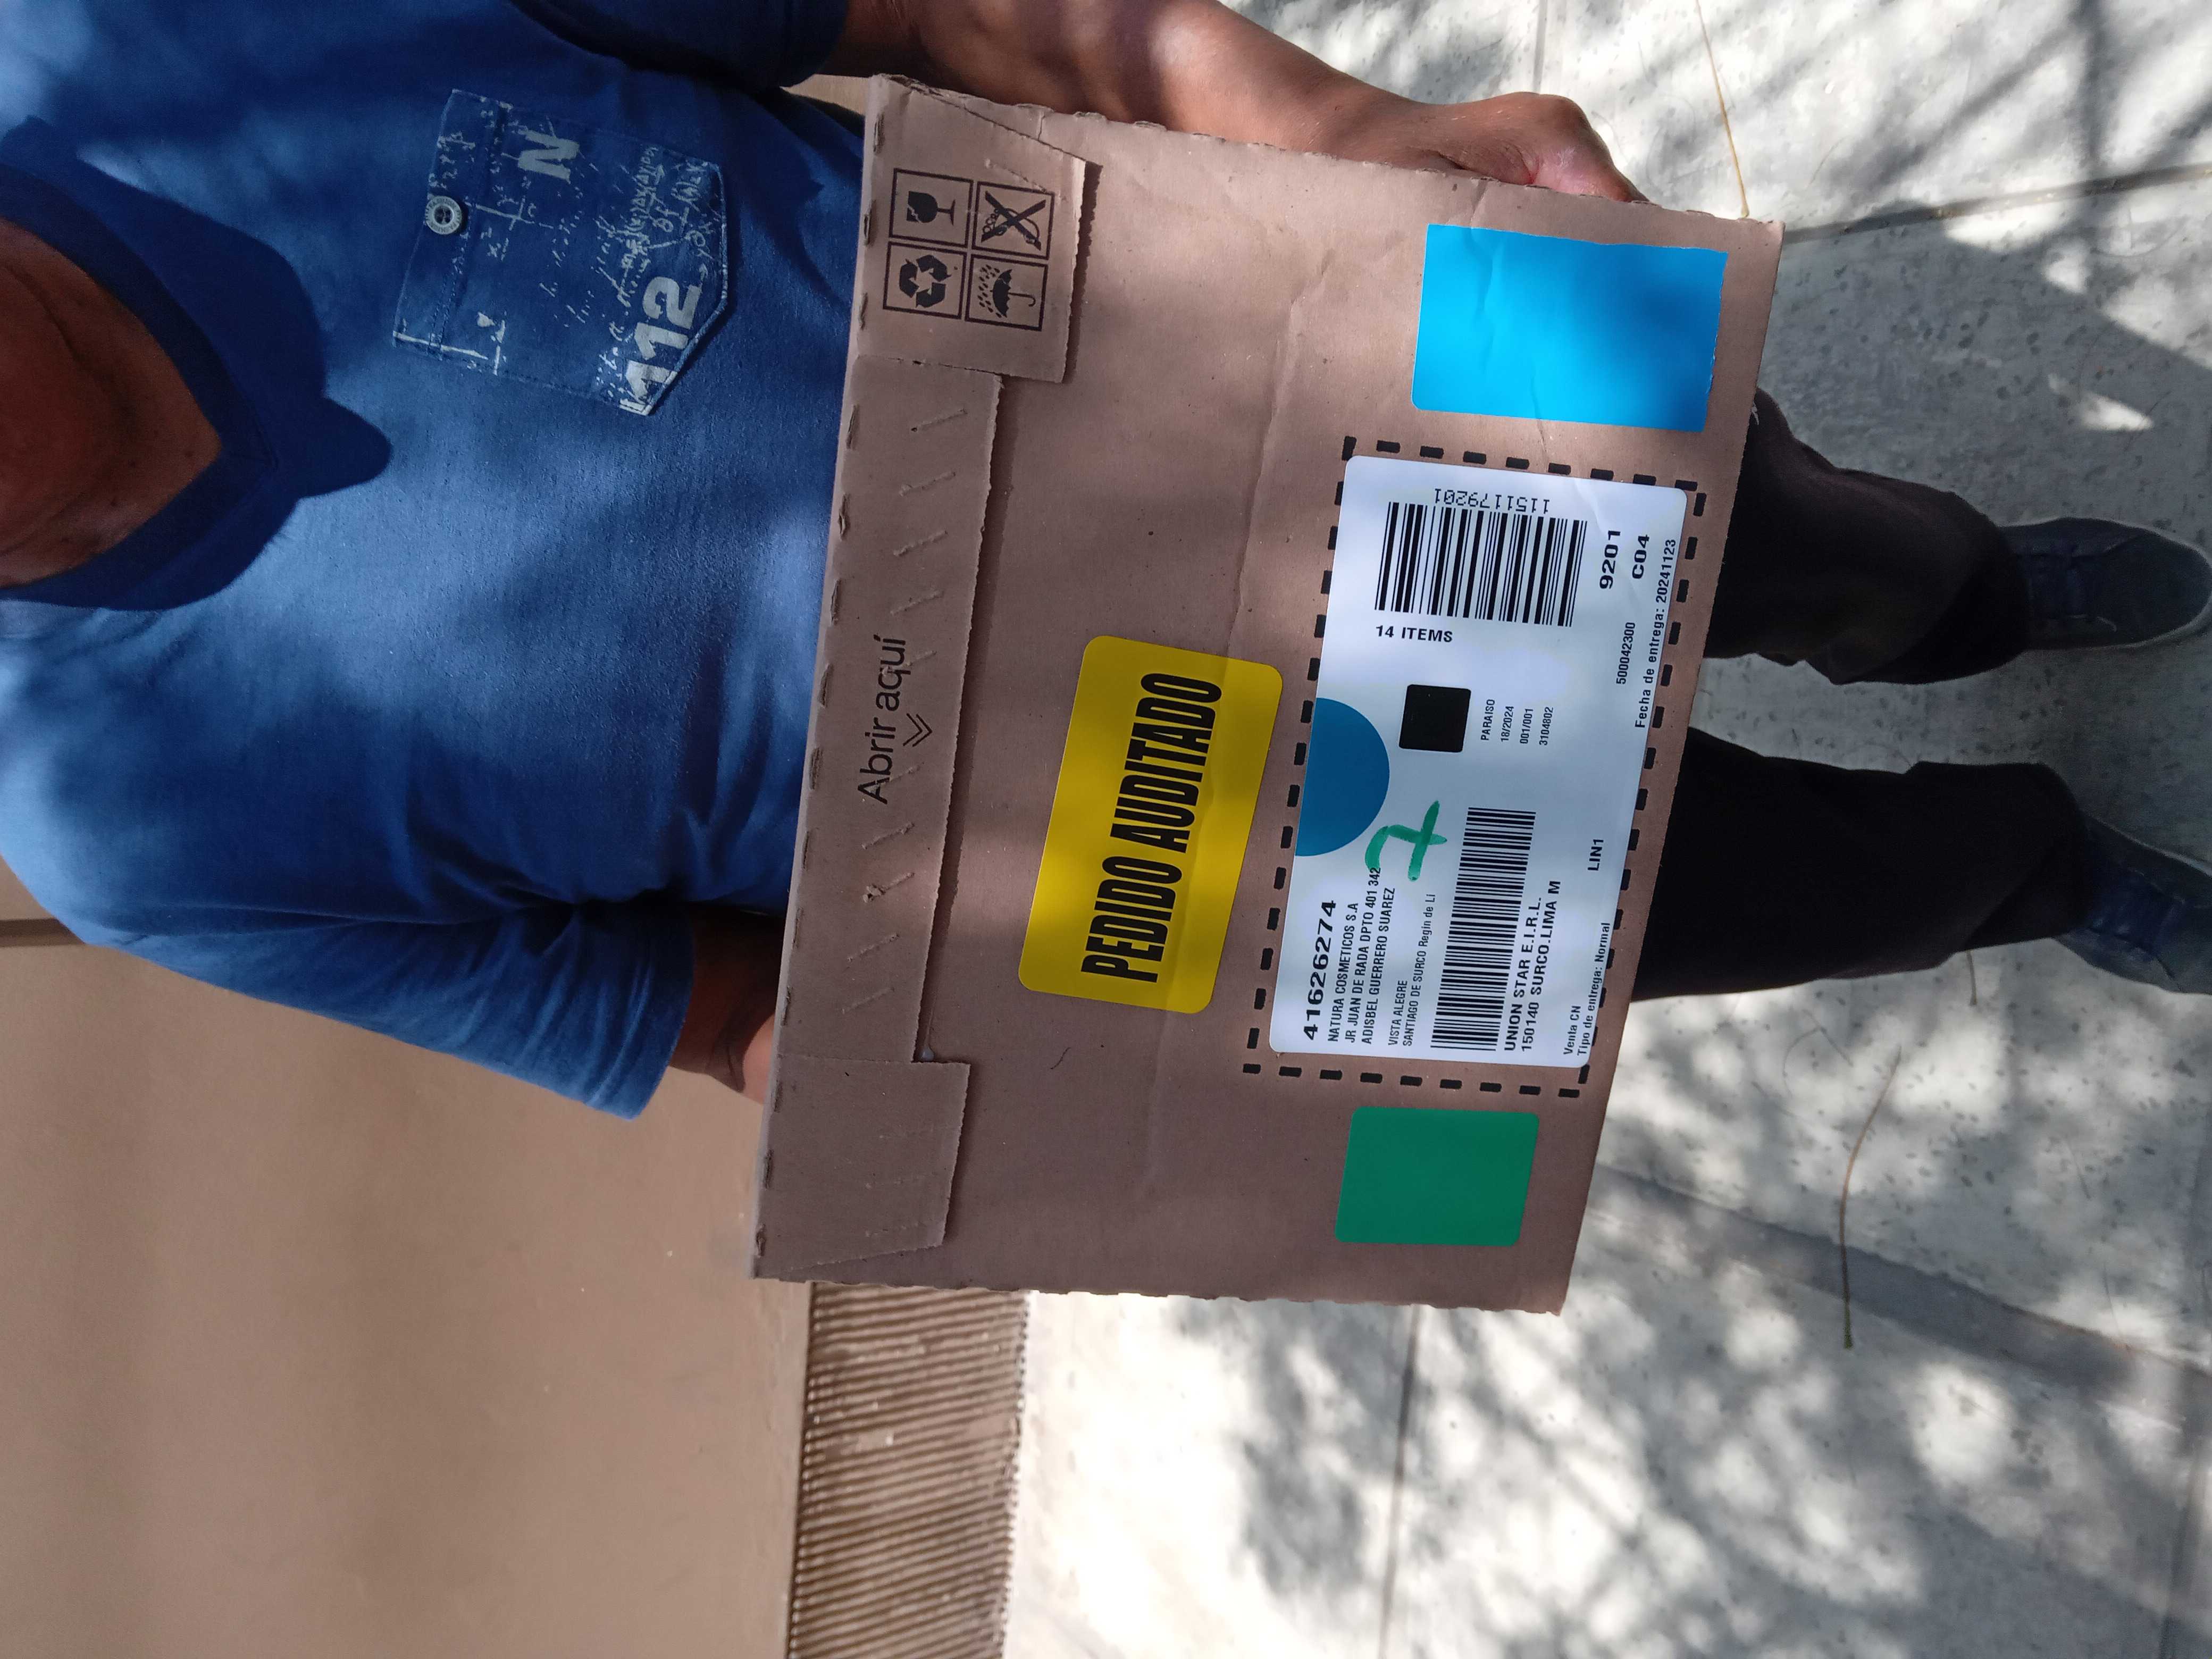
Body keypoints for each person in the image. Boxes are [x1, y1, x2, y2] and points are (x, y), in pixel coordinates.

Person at [1, 0, 2205, 1117]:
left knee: (1795, 544)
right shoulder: (138, 836)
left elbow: (926, 12)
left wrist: (1363, 143)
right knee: (1752, 899)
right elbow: (729, 1013)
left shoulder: (157, 39)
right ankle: (2021, 869)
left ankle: (1968, 602)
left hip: (1316, 386)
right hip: (1228, 836)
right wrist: (1041, 1134)